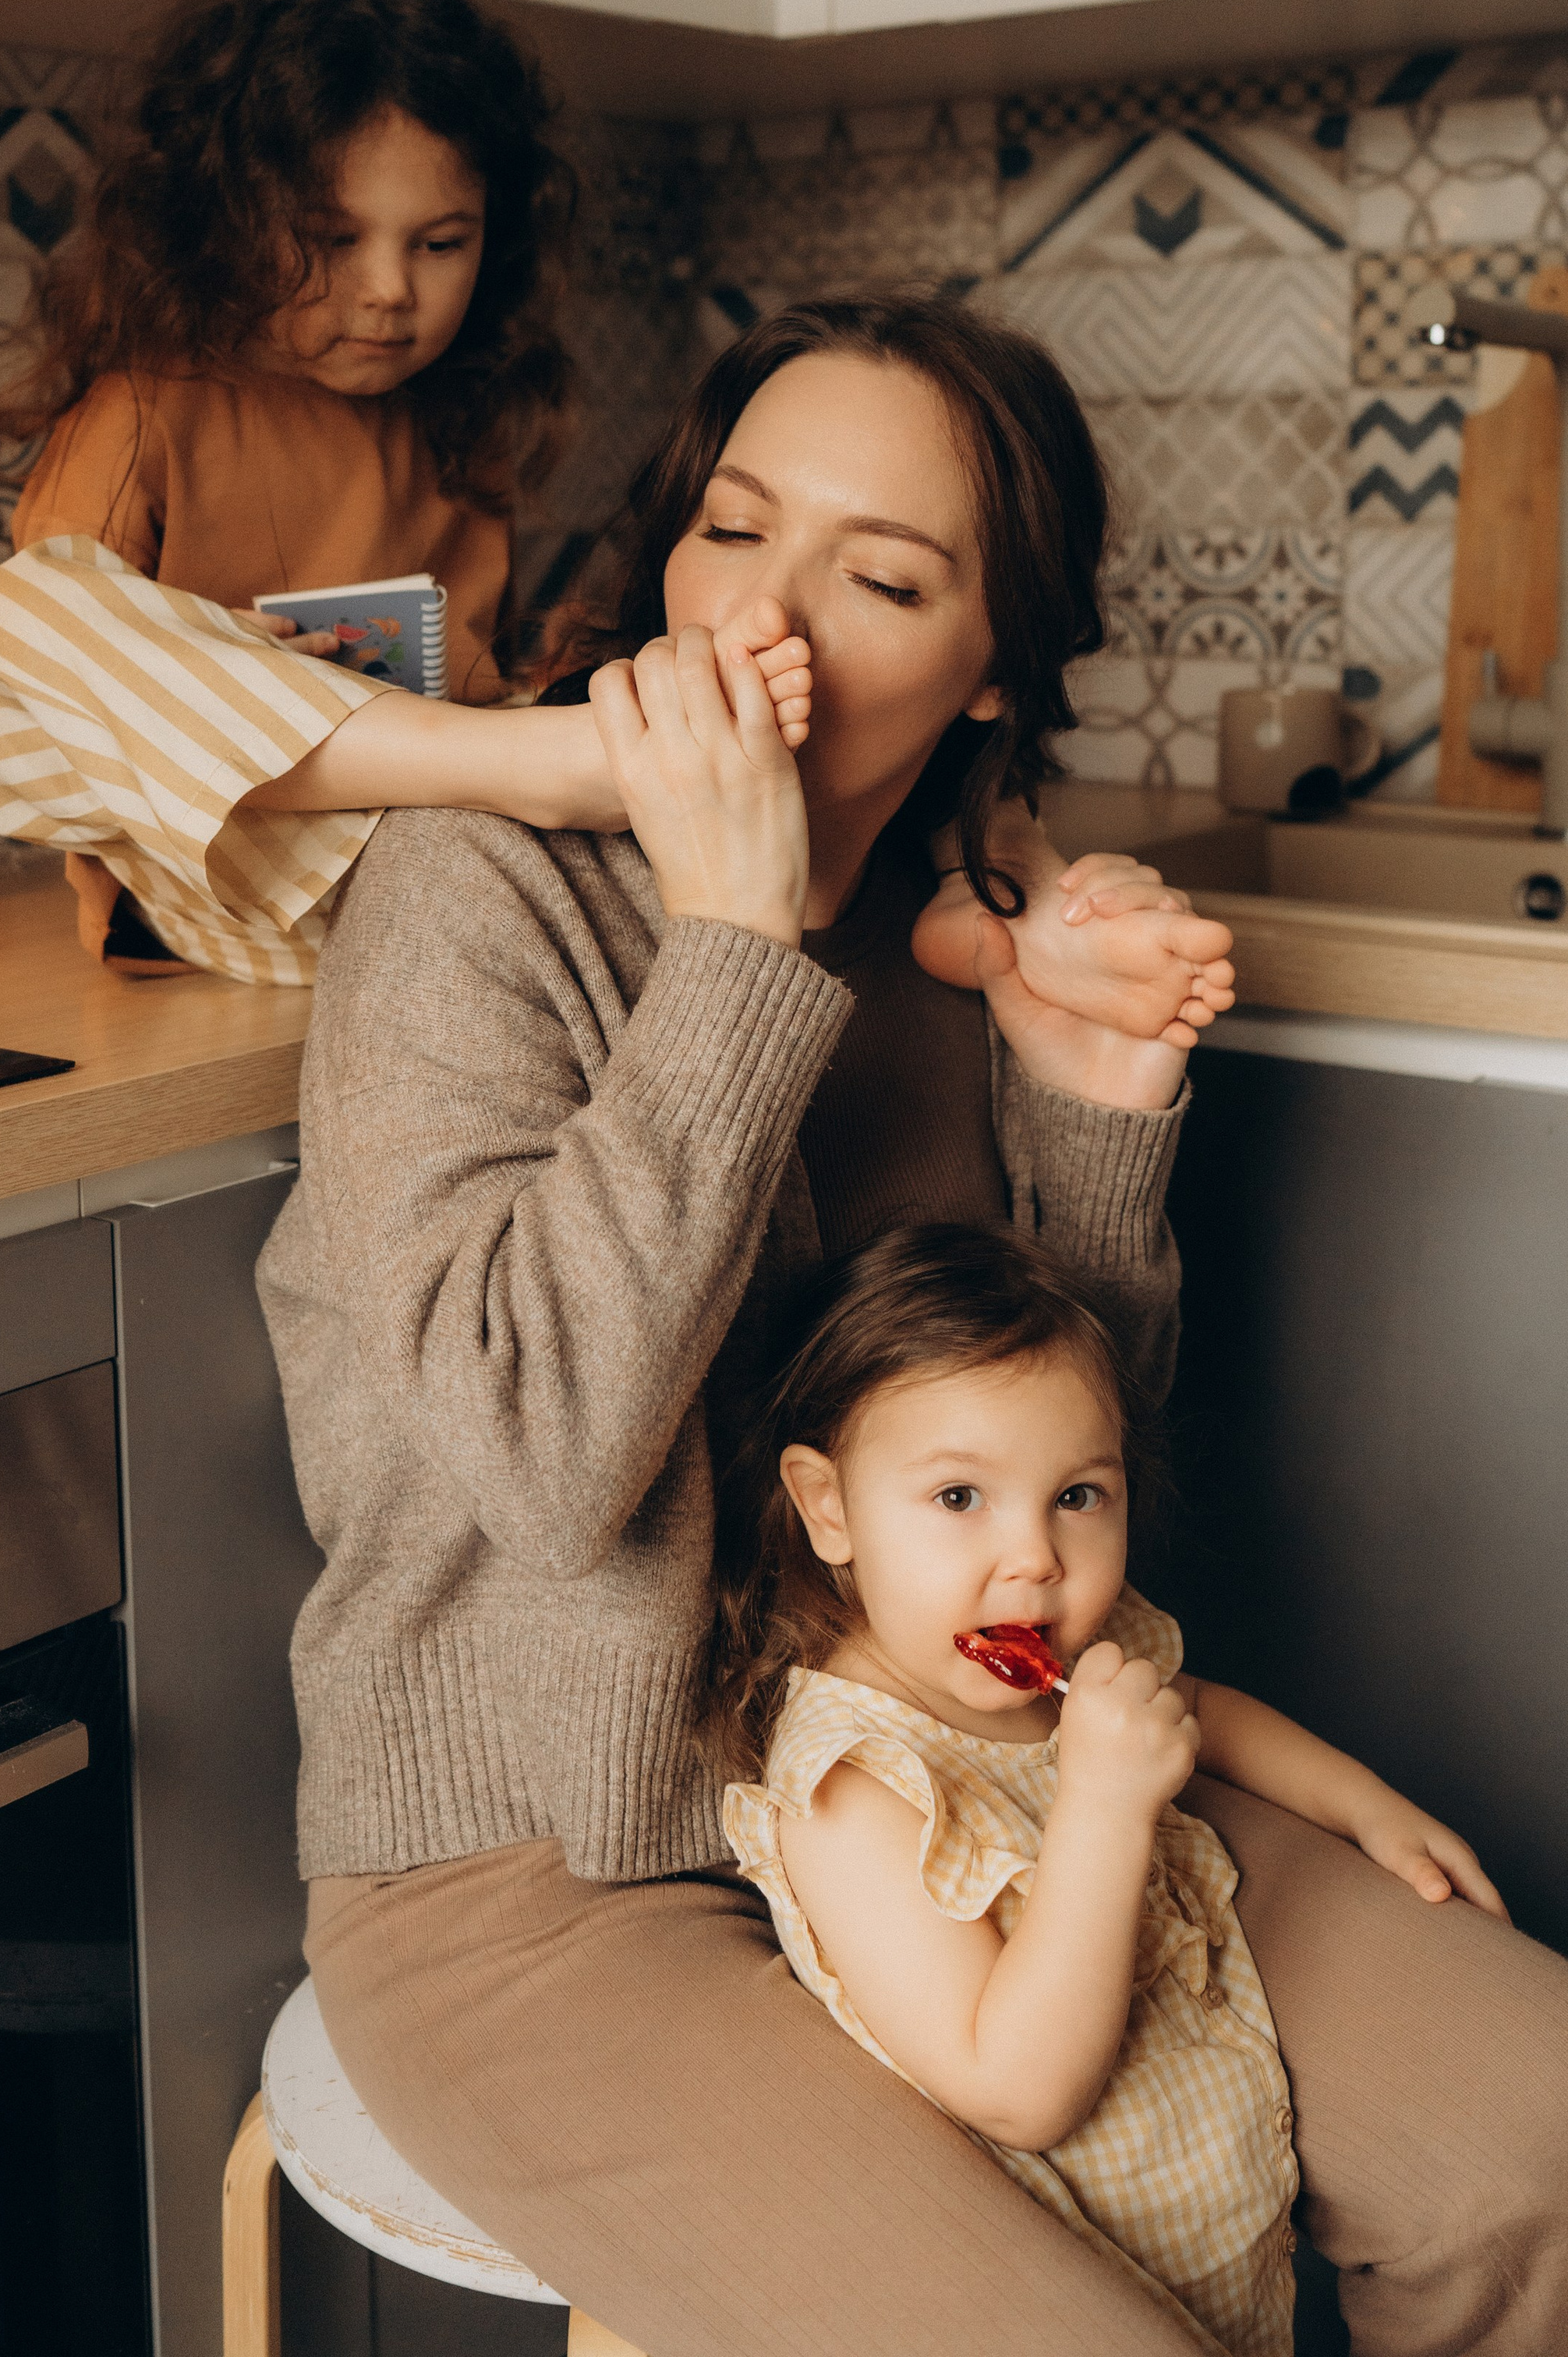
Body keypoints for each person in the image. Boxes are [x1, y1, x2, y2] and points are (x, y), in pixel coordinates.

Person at [248, 290, 1568, 2357]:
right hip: (554, 1874)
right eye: (730, 530)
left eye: (878, 577)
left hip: (988, 1760)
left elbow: (1056, 1482)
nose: (764, 618)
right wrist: (727, 942)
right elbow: (547, 1457)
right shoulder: (475, 889)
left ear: (990, 676)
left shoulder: (966, 911)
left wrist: (1093, 1115)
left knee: (1538, 2140)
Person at [717, 1221, 1510, 2357]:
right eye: (958, 1499)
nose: (1034, 1557)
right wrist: (1101, 1805)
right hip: (1090, 2269)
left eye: (1078, 1495)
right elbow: (1017, 2090)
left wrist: (1366, 1807)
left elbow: (1197, 1709)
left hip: (1231, 2229)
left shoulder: (1055, 1653)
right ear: (829, 1508)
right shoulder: (854, 1790)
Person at [0, 0, 577, 965]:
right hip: (199, 905)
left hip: (428, 891)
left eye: (440, 244)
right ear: (226, 219)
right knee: (34, 619)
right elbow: (49, 684)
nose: (390, 288)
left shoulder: (464, 419)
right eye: (332, 239)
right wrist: (224, 671)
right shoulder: (145, 413)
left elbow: (468, 677)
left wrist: (538, 686)